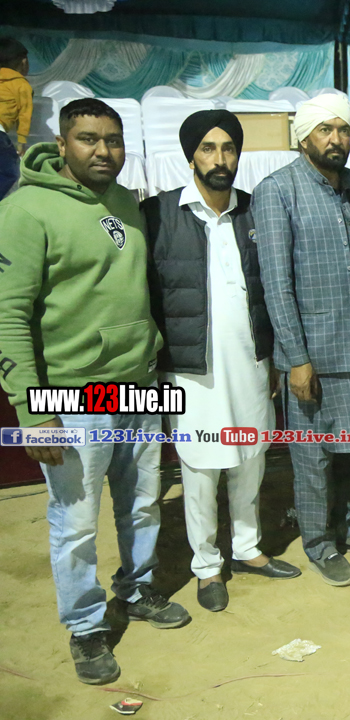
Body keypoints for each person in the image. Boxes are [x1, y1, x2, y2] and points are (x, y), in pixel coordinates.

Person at [0, 98, 189, 685]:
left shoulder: (125, 201)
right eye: (88, 139)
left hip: (138, 387)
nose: (103, 151)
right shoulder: (23, 211)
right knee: (77, 520)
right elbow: (8, 316)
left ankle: (137, 589)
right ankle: (85, 625)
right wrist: (32, 412)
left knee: (143, 501)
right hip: (73, 398)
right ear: (62, 144)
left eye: (113, 140)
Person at [144, 109, 300, 613]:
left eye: (228, 148)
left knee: (251, 458)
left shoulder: (255, 211)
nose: (220, 159)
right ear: (191, 156)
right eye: (208, 149)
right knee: (200, 468)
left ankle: (248, 548)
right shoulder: (160, 213)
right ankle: (207, 565)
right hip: (190, 369)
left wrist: (275, 356)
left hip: (251, 364)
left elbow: (273, 288)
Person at [253, 94, 350, 588]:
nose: (336, 139)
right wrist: (296, 358)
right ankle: (319, 543)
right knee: (312, 457)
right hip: (311, 352)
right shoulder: (277, 190)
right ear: (303, 136)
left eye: (343, 130)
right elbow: (276, 283)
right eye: (325, 130)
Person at [0, 37, 32, 198]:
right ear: (23, 62)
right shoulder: (21, 85)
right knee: (10, 171)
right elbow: (25, 114)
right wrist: (21, 141)